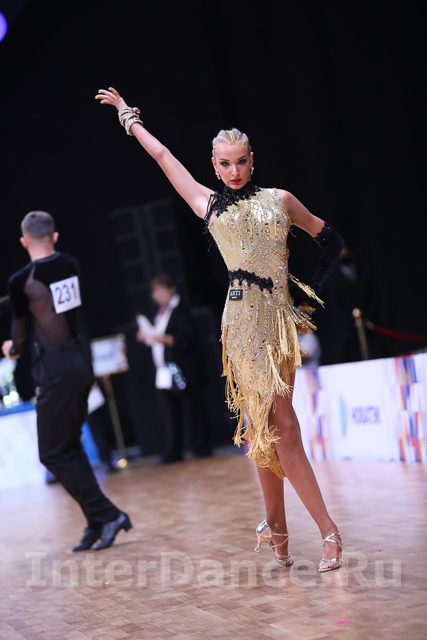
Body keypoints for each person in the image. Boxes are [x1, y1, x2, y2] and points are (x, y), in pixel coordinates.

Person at [96, 87, 345, 572]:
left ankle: (303, 528)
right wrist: (129, 118)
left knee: (275, 427)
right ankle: (300, 527)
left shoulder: (279, 200)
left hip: (279, 325)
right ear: (214, 165)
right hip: (241, 325)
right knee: (267, 427)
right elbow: (164, 157)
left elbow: (330, 241)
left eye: (241, 161)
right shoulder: (208, 205)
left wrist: (307, 296)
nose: (234, 171)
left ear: (253, 161)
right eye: (225, 163)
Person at [2, 211, 132, 551]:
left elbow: (20, 337)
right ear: (55, 237)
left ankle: (109, 514)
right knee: (69, 446)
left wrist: (10, 348)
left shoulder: (21, 279)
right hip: (80, 361)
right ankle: (96, 522)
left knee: (51, 453)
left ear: (23, 242)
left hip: (56, 369)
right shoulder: (70, 264)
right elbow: (43, 301)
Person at [137, 274, 211, 463]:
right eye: (155, 292)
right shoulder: (158, 313)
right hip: (163, 371)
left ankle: (200, 448)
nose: (158, 296)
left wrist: (160, 338)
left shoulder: (180, 310)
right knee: (169, 413)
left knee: (191, 410)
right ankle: (173, 451)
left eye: (162, 291)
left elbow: (186, 337)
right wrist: (147, 337)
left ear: (172, 290)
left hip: (183, 370)